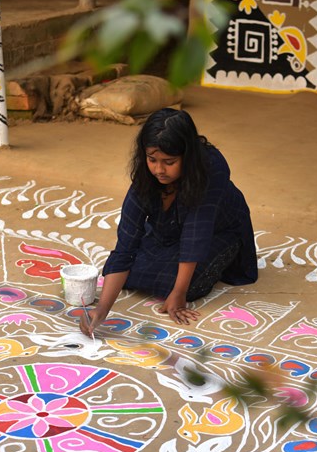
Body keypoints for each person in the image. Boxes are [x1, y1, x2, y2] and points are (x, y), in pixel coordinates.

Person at [80, 108, 258, 335]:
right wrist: (102, 310)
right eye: (152, 159)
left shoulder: (211, 168)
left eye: (169, 161)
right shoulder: (147, 175)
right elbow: (126, 244)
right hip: (170, 231)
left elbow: (196, 233)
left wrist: (179, 293)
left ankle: (189, 279)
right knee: (129, 273)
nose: (159, 170)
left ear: (188, 156)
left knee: (184, 286)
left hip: (218, 230)